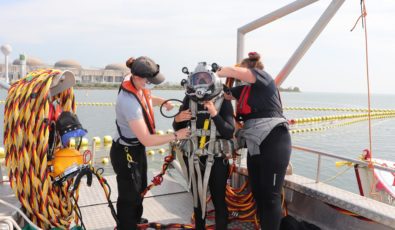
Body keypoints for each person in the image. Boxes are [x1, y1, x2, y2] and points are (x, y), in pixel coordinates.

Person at [110, 56, 190, 230]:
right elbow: (146, 139)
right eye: (150, 81)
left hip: (136, 150)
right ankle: (127, 226)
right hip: (125, 152)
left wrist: (162, 101)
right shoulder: (128, 103)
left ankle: (136, 220)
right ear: (138, 78)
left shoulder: (133, 81)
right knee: (129, 195)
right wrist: (177, 135)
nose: (151, 84)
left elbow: (145, 98)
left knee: (139, 188)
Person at [217, 52, 292, 230]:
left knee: (271, 196)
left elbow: (231, 71)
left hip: (274, 140)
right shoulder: (244, 90)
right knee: (258, 193)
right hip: (255, 144)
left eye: (241, 74)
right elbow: (225, 94)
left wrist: (219, 71)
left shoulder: (263, 77)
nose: (238, 80)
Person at [173, 62, 235, 230]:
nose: (200, 81)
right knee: (197, 201)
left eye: (204, 78)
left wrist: (214, 113)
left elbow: (229, 131)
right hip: (193, 158)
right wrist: (177, 119)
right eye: (197, 78)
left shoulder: (223, 100)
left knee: (218, 200)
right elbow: (178, 130)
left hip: (216, 160)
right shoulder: (189, 99)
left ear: (212, 80)